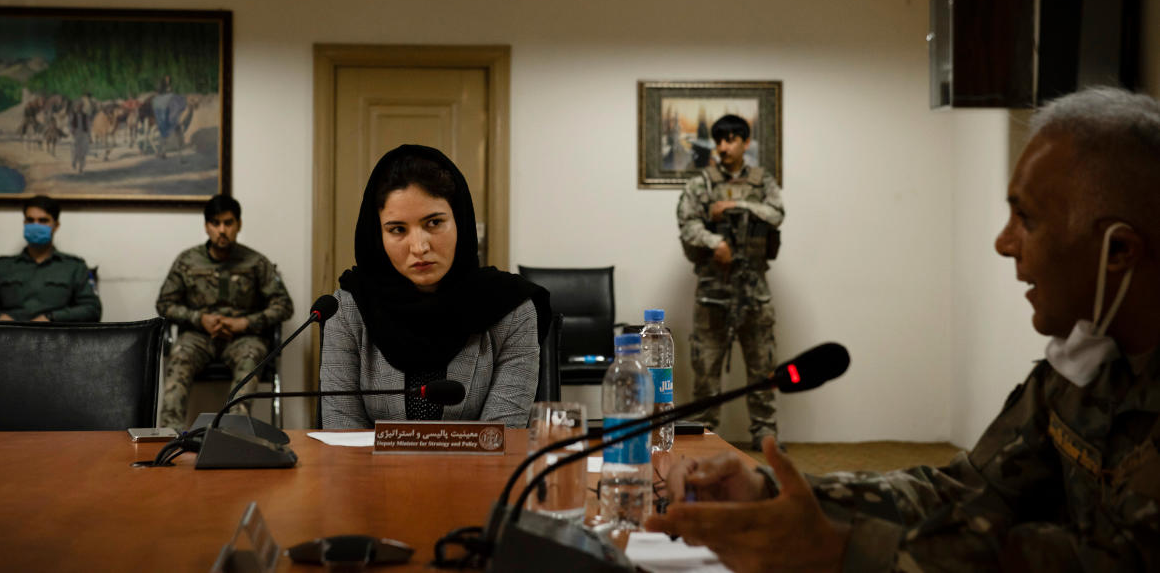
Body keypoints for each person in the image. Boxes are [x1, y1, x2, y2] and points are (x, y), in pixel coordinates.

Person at [649, 87, 1160, 572]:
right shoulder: (1082, 367)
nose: (1004, 243)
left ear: (1119, 251)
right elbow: (965, 493)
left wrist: (843, 554)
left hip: (751, 291)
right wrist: (768, 489)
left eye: (1026, 218)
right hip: (715, 293)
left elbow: (1103, 563)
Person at [321, 144, 550, 429]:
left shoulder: (511, 309)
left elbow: (501, 436)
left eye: (434, 223)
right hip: (368, 473)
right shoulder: (348, 308)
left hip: (480, 474)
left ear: (460, 221)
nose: (419, 247)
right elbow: (342, 431)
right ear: (377, 235)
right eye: (397, 229)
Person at [677, 113, 784, 447]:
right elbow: (687, 223)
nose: (723, 146)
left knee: (762, 366)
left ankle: (764, 434)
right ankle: (706, 433)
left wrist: (737, 204)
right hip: (713, 290)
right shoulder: (701, 183)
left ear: (745, 143)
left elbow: (777, 213)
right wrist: (716, 243)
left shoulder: (762, 180)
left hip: (753, 289)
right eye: (719, 140)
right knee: (705, 369)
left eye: (731, 140)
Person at [156, 194, 294, 429]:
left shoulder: (255, 262)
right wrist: (199, 318)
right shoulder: (187, 261)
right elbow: (165, 303)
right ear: (206, 226)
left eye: (228, 223)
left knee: (252, 358)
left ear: (238, 225)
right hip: (199, 336)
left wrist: (245, 323)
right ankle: (169, 435)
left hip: (243, 338)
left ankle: (231, 434)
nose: (222, 230)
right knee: (179, 357)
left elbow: (284, 305)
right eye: (215, 223)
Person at [0, 195, 102, 322]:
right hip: (9, 339)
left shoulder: (74, 267)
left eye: (43, 220)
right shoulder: (3, 266)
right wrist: (0, 318)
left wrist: (52, 318)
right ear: (24, 222)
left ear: (56, 226)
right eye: (30, 220)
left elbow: (92, 310)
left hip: (55, 339)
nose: (36, 225)